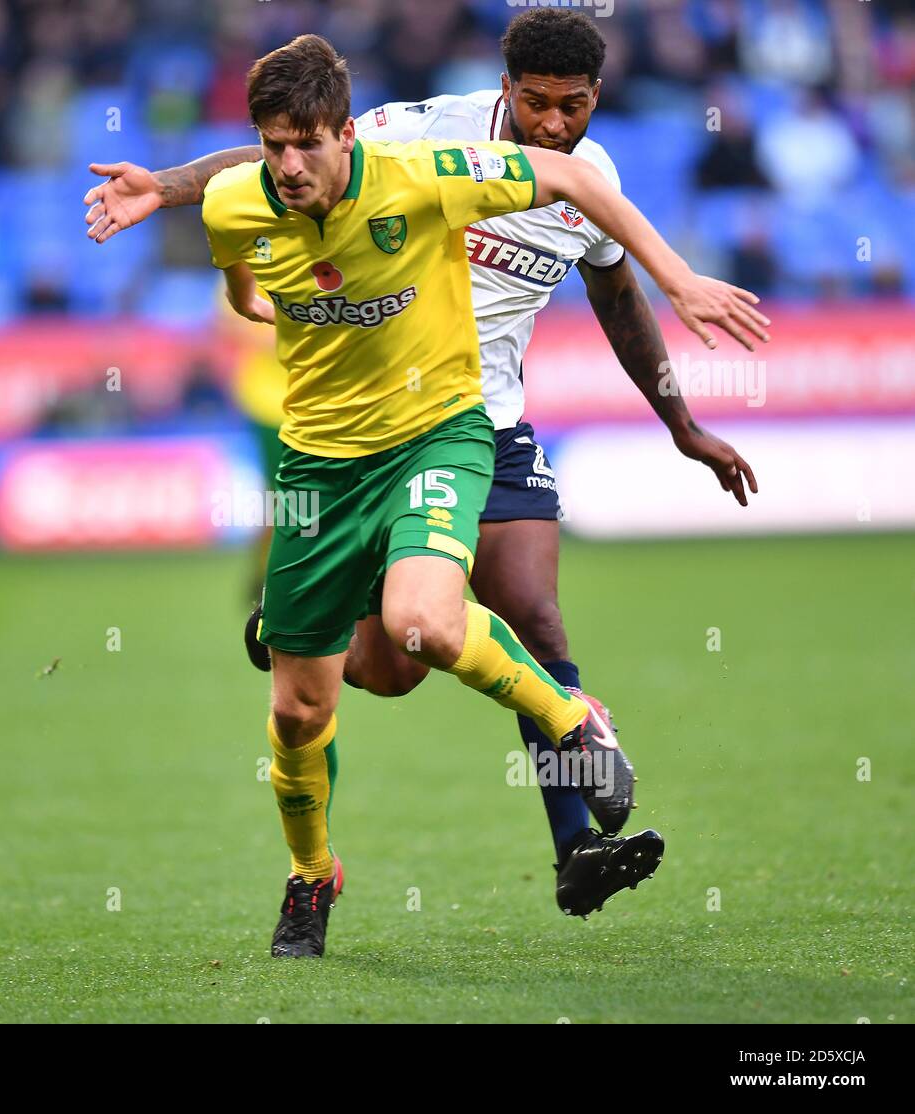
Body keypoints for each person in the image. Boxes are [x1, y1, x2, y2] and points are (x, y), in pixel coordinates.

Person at [85, 32, 768, 958]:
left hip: (469, 421)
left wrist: (681, 415)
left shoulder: (583, 181)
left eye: (574, 104)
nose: (554, 122)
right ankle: (298, 694)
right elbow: (288, 156)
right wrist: (172, 190)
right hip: (337, 447)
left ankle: (578, 835)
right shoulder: (420, 141)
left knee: (527, 616)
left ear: (599, 96)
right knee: (383, 669)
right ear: (505, 90)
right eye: (536, 103)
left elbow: (615, 295)